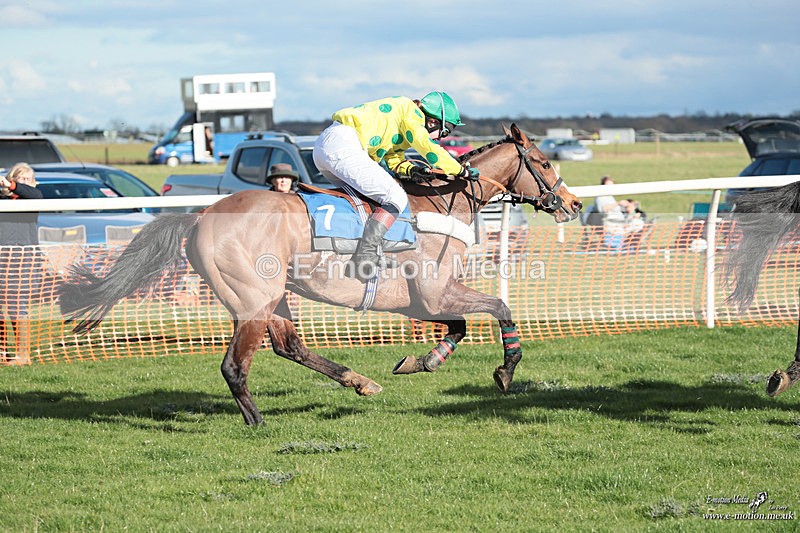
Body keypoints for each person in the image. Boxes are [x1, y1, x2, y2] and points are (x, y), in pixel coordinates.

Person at [313, 91, 479, 282]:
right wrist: (459, 170)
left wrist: (412, 170)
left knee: (367, 199)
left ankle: (354, 250)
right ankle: (365, 257)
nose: (440, 139)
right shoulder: (412, 114)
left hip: (327, 147)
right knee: (396, 197)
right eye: (445, 132)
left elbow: (393, 159)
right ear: (433, 122)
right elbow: (427, 147)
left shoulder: (404, 119)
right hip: (344, 146)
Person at [0, 162, 43, 365]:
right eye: (20, 178)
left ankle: (23, 355)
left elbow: (32, 195)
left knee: (17, 306)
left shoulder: (35, 198)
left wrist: (14, 186)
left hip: (23, 259)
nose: (25, 182)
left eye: (28, 179)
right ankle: (2, 352)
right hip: (2, 256)